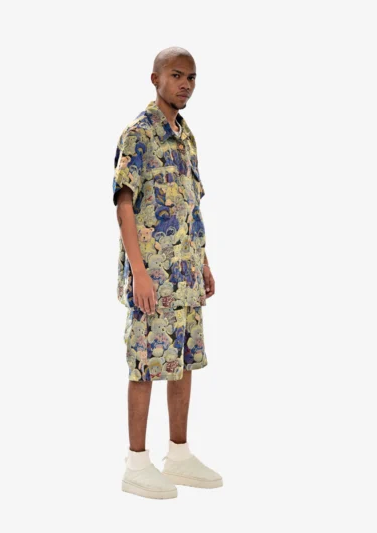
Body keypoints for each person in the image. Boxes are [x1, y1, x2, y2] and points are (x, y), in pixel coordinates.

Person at [112, 47, 223, 499]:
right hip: (153, 278)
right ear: (155, 78)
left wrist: (204, 262)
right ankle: (136, 463)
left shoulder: (186, 136)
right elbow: (124, 206)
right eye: (177, 75)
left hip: (186, 275)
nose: (185, 84)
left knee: (183, 361)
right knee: (144, 364)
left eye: (191, 78)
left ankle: (178, 454)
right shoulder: (138, 135)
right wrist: (138, 273)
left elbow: (192, 205)